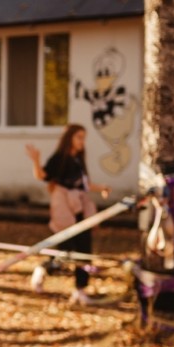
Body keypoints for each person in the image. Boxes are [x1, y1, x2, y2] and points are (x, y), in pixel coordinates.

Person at [25, 123, 111, 305]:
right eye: (79, 137)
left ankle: (80, 290)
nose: (82, 142)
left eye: (84, 138)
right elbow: (42, 175)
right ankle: (43, 269)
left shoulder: (78, 160)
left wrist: (102, 188)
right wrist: (35, 160)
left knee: (84, 250)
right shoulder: (59, 158)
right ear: (69, 138)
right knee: (65, 250)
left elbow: (83, 185)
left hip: (80, 208)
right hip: (65, 208)